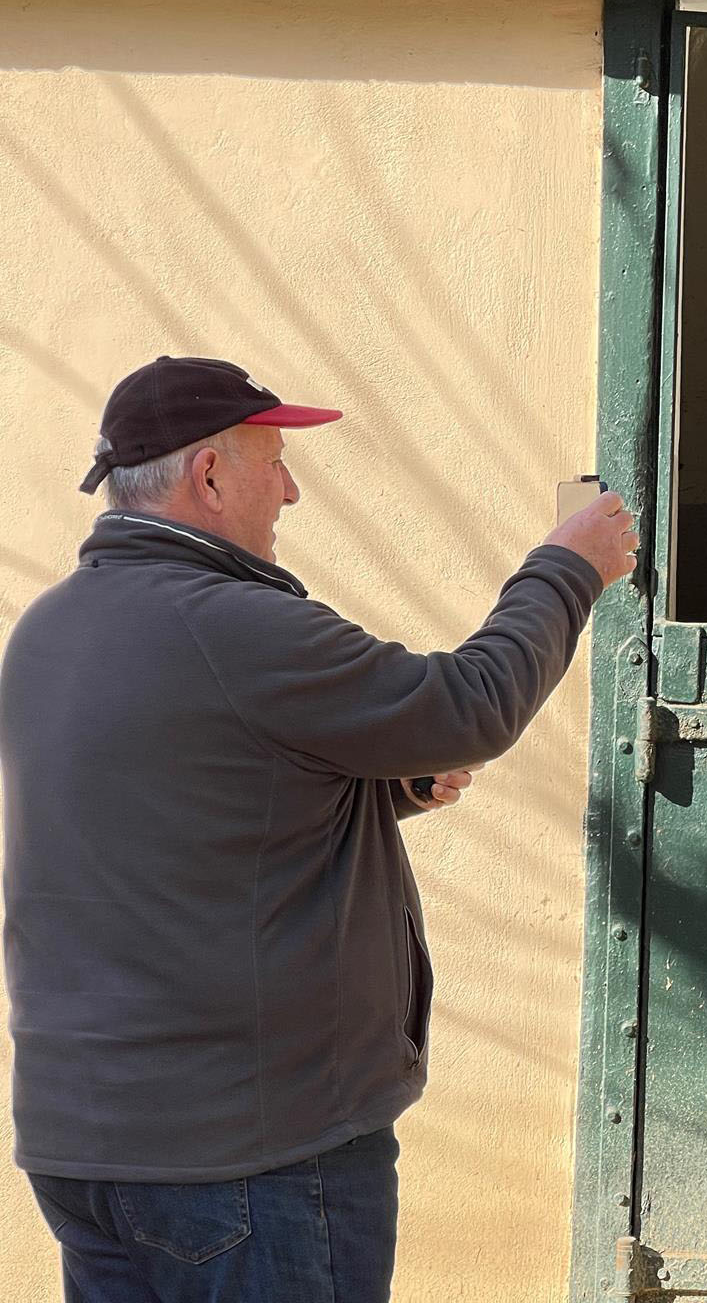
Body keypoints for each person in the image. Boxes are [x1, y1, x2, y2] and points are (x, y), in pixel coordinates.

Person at [0, 355, 637, 1302]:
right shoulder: (235, 624)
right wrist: (566, 569)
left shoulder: (48, 627)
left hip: (85, 1148)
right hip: (249, 1157)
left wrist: (387, 791)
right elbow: (466, 707)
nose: (291, 490)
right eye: (276, 462)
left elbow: (184, 806)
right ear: (208, 474)